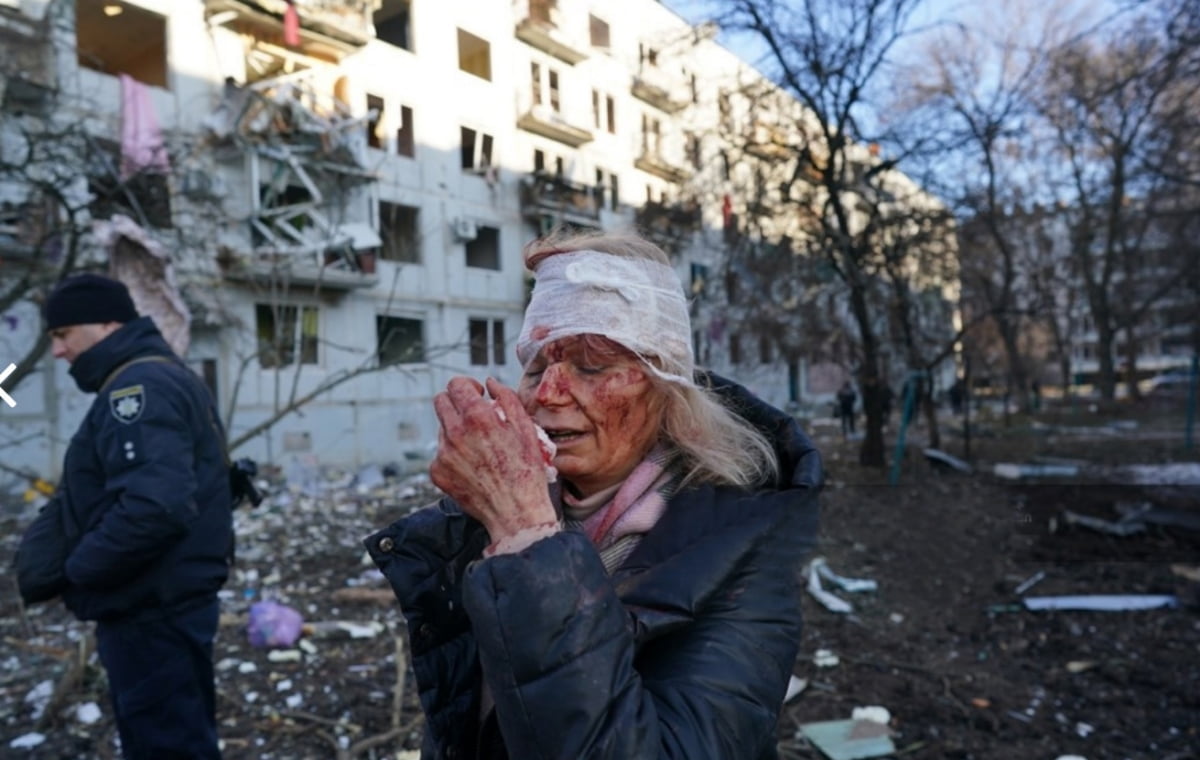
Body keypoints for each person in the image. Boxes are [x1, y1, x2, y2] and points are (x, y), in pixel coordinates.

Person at [365, 231, 822, 759]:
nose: (546, 393)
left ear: (666, 391)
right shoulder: (485, 519)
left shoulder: (747, 549)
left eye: (591, 366)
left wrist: (525, 534)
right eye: (536, 367)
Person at [15, 273, 232, 760]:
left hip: (150, 609)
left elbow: (155, 506)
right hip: (163, 603)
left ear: (107, 325)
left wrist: (78, 572)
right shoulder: (155, 375)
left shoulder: (138, 387)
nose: (57, 351)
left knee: (166, 746)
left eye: (62, 334)